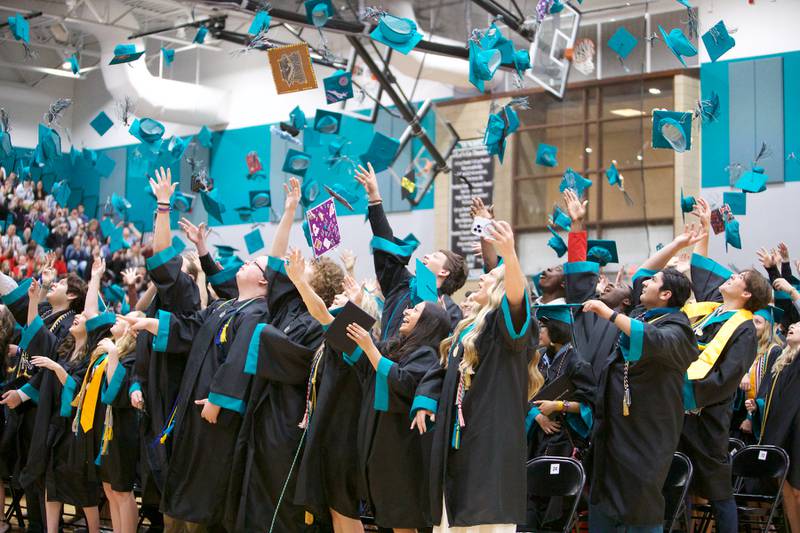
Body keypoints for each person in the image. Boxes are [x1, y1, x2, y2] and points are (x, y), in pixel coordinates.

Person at [223, 178, 343, 532]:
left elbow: (298, 364)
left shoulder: (321, 326)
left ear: (316, 283)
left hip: (289, 421)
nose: (295, 267)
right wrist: (290, 209)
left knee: (278, 506)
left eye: (304, 269)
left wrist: (262, 337)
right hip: (263, 412)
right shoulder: (289, 307)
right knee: (250, 494)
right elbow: (274, 262)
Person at [123, 245, 269, 530]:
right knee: (184, 490)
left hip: (216, 419)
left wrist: (220, 398)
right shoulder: (223, 306)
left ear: (264, 280)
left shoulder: (258, 312)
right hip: (193, 412)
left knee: (205, 498)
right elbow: (189, 328)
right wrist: (150, 323)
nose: (244, 264)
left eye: (253, 263)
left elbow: (239, 359)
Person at [411, 220, 534, 532]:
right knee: (451, 518)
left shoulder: (504, 328)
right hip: (457, 440)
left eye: (491, 277)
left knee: (483, 520)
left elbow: (517, 300)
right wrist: (426, 399)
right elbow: (441, 371)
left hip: (489, 440)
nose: (482, 279)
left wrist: (509, 254)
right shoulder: (465, 329)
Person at [585, 226, 703, 532]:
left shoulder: (679, 328)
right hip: (617, 426)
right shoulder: (644, 313)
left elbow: (654, 341)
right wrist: (677, 244)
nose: (644, 284)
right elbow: (643, 273)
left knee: (640, 503)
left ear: (665, 295)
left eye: (653, 283)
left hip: (648, 432)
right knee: (605, 496)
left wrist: (609, 314)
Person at [679, 198, 771, 532]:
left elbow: (729, 375)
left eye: (737, 278)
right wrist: (706, 227)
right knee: (678, 481)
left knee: (717, 490)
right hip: (679, 406)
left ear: (747, 294)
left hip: (706, 414)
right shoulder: (712, 309)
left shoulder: (744, 326)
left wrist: (692, 398)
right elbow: (701, 269)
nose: (729, 278)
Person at [130, 168, 202, 523]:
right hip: (154, 399)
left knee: (176, 497)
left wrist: (163, 206)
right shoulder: (160, 302)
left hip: (173, 403)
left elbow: (161, 255)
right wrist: (135, 385)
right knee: (163, 496)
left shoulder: (184, 291)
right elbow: (138, 361)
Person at [346, 294, 451, 532]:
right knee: (390, 519)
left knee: (401, 521)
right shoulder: (397, 346)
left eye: (415, 311)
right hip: (381, 442)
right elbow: (362, 360)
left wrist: (370, 348)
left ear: (428, 323)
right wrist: (351, 308)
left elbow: (402, 383)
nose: (406, 312)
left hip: (402, 450)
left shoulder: (427, 354)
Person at [25, 259, 115, 533]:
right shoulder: (63, 348)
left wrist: (96, 277)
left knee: (82, 487)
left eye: (83, 319)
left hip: (79, 426)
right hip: (56, 421)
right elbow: (38, 333)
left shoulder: (93, 352)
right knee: (52, 482)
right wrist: (35, 298)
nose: (79, 318)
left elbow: (77, 388)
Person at [294, 275, 376, 533]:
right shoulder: (334, 339)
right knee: (335, 510)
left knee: (344, 510)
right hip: (330, 431)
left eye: (344, 300)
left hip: (345, 434)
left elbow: (319, 312)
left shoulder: (354, 337)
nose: (336, 300)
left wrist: (300, 281)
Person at [355, 163, 466, 335]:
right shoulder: (402, 283)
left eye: (436, 256)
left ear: (444, 271)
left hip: (412, 362)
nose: (428, 255)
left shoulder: (449, 312)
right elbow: (386, 245)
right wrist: (374, 198)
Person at [746, 322, 800, 530]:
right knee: (786, 490)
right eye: (792, 325)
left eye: (799, 325)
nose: (793, 326)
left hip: (796, 432)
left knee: (797, 491)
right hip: (780, 432)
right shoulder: (782, 361)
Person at [95, 312, 144, 533]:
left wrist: (113, 353)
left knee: (122, 491)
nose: (118, 317)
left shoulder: (132, 355)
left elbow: (116, 393)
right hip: (105, 426)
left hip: (124, 427)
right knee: (109, 489)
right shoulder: (115, 351)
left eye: (128, 317)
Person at [733, 306, 783, 444]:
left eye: (758, 322)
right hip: (736, 411)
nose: (753, 326)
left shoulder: (774, 351)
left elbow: (767, 387)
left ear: (768, 327)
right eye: (752, 321)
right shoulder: (747, 345)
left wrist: (751, 418)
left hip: (753, 416)